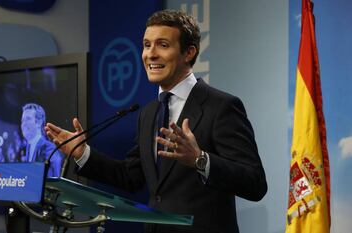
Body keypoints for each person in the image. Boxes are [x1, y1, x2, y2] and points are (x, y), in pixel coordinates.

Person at [45, 10, 267, 233]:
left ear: (189, 52)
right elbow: (131, 177)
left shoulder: (221, 106)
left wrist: (200, 160)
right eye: (146, 44)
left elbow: (255, 183)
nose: (150, 54)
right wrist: (82, 152)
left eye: (162, 45)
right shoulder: (149, 113)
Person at [21, 103, 63, 177]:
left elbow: (55, 180)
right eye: (22, 120)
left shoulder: (49, 149)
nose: (23, 124)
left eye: (28, 119)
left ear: (39, 122)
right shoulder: (28, 147)